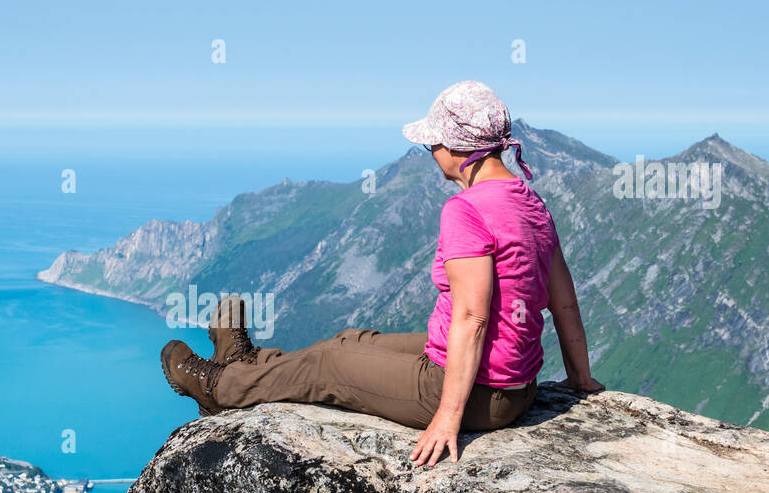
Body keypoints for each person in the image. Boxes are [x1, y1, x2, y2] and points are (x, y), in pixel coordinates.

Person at [160, 80, 603, 465]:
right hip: (515, 386)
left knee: (327, 365)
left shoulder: (466, 210)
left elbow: (473, 318)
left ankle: (218, 388)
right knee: (351, 342)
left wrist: (446, 419)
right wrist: (580, 378)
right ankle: (247, 364)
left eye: (432, 143)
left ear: (455, 146)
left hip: (479, 395)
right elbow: (563, 300)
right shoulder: (529, 202)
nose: (430, 152)